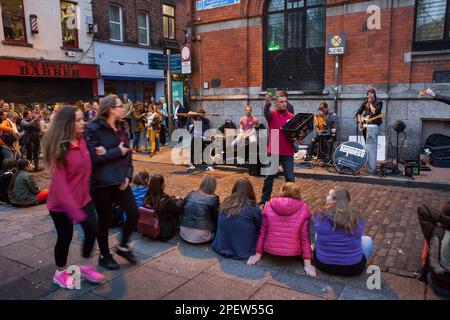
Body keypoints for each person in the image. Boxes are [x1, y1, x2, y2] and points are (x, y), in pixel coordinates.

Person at [42, 106, 105, 290]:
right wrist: (75, 213)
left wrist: (100, 152)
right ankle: (60, 272)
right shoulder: (59, 150)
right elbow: (61, 187)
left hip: (83, 198)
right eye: (78, 120)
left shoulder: (82, 140)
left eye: (82, 119)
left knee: (93, 230)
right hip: (61, 205)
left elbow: (85, 163)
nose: (83, 122)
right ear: (68, 124)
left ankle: (83, 265)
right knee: (65, 236)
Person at [85, 94, 139, 270]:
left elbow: (128, 155)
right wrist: (116, 151)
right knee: (105, 221)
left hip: (120, 180)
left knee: (133, 213)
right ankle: (104, 255)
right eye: (120, 106)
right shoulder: (93, 128)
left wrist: (128, 176)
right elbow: (93, 158)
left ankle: (122, 246)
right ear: (109, 109)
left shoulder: (123, 126)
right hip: (101, 182)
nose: (123, 109)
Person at [247, 182, 316, 277]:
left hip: (270, 249)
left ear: (282, 191)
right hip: (292, 252)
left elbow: (263, 232)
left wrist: (258, 254)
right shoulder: (303, 208)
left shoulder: (269, 205)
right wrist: (308, 264)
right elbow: (304, 237)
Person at [313, 188, 373, 276]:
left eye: (329, 195)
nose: (327, 197)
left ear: (334, 200)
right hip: (353, 268)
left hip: (323, 264)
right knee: (367, 240)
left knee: (318, 234)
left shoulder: (319, 215)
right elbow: (359, 235)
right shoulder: (357, 216)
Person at [259, 91, 295, 205]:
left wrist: (298, 137)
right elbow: (266, 112)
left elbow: (296, 133)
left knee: (290, 179)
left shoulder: (292, 117)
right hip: (274, 149)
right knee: (268, 177)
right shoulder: (272, 115)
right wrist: (267, 104)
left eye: (285, 101)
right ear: (276, 103)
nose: (284, 104)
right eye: (281, 102)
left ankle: (292, 200)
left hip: (287, 150)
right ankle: (265, 199)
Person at [212, 178, 262, 260]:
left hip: (220, 246)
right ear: (250, 191)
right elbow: (260, 225)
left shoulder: (226, 203)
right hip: (243, 250)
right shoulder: (252, 207)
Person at [417, 201, 450, 298]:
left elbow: (422, 209)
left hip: (437, 283)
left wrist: (443, 219)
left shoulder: (438, 232)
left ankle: (423, 275)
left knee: (431, 242)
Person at [179, 175, 220, 244]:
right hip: (202, 236)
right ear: (214, 186)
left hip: (184, 233)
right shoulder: (213, 199)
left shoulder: (191, 194)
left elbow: (180, 206)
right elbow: (216, 218)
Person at [143, 174, 182, 242]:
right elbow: (178, 210)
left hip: (149, 230)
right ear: (162, 185)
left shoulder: (147, 197)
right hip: (162, 232)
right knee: (177, 209)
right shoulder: (166, 201)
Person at [355, 88, 383, 175]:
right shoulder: (365, 102)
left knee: (371, 144)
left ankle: (372, 166)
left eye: (371, 93)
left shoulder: (379, 102)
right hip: (365, 124)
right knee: (367, 144)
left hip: (373, 124)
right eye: (368, 94)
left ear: (374, 94)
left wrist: (370, 104)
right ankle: (367, 163)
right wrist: (360, 122)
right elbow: (358, 112)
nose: (369, 95)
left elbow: (375, 112)